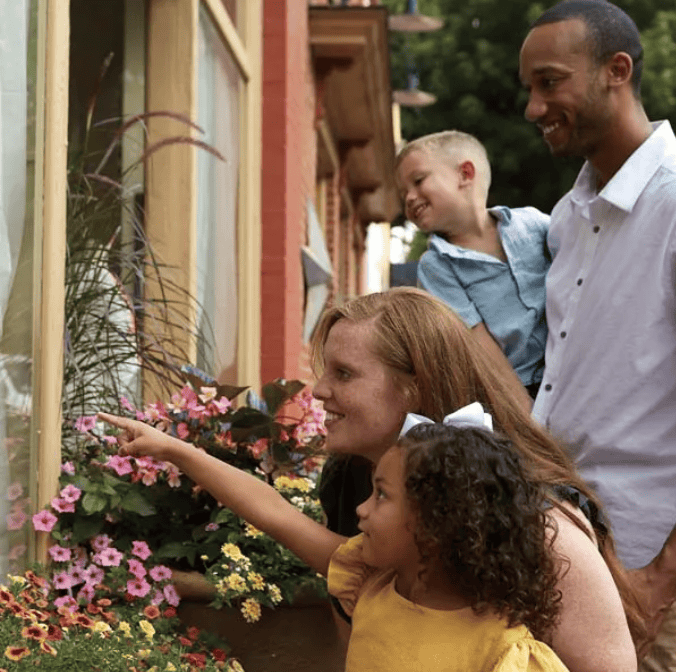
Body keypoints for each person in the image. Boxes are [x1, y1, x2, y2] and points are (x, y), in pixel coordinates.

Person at [311, 287, 639, 672]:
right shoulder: (349, 478)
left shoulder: (530, 516)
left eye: (343, 373)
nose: (318, 389)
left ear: (413, 387)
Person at [98, 406, 570, 671]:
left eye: (381, 496)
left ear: (438, 523)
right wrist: (177, 451)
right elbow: (274, 513)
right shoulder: (371, 580)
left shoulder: (504, 653)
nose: (361, 509)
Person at [519, 1, 676, 667]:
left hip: (649, 582)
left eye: (550, 82)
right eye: (528, 88)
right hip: (566, 556)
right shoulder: (565, 219)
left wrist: (660, 578)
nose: (533, 108)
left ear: (617, 70)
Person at [396, 131, 550, 408]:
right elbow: (482, 352)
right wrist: (528, 418)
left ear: (465, 174)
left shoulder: (534, 224)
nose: (409, 197)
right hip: (516, 392)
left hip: (572, 374)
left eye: (418, 181)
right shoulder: (437, 267)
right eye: (403, 192)